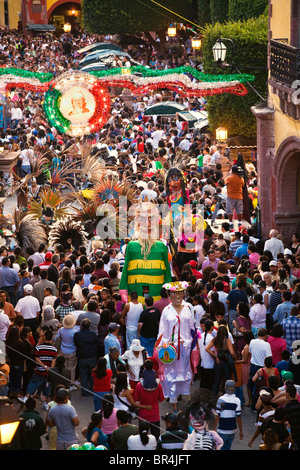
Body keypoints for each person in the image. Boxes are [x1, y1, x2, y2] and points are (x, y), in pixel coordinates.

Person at [155, 281, 195, 410]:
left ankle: (187, 397)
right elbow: (162, 330)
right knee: (171, 375)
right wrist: (164, 344)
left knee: (186, 373)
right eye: (174, 293)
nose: (178, 296)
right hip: (171, 349)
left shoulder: (189, 307)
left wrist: (190, 342)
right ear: (169, 295)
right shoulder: (166, 310)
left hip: (185, 347)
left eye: (180, 293)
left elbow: (193, 328)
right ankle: (174, 403)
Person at [205, 325, 237, 396]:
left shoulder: (215, 339)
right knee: (226, 380)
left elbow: (207, 349)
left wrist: (216, 356)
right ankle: (225, 397)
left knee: (216, 381)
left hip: (218, 362)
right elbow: (232, 352)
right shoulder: (227, 340)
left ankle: (213, 398)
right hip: (226, 362)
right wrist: (235, 358)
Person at [213, 379, 243, 450]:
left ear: (225, 388)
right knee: (228, 447)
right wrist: (241, 431)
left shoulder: (221, 399)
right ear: (234, 389)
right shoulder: (237, 401)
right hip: (232, 430)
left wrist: (213, 429)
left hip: (222, 430)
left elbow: (217, 417)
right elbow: (238, 417)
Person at [248, 328, 272, 409]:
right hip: (261, 369)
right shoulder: (266, 345)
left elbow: (250, 351)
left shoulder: (252, 341)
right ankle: (257, 405)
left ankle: (252, 403)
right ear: (265, 335)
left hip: (252, 366)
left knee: (251, 384)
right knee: (259, 388)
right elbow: (269, 357)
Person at [74, 318, 98, 396]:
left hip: (82, 356)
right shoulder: (93, 334)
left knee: (83, 374)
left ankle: (85, 391)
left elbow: (76, 343)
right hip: (92, 356)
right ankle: (92, 389)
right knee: (92, 374)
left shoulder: (77, 335)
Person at [54, 314, 78, 389]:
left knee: (63, 367)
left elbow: (55, 339)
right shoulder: (75, 331)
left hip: (63, 351)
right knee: (72, 368)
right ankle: (71, 384)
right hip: (72, 351)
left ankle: (63, 382)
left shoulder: (61, 330)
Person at [198, 319, 215, 390]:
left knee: (203, 384)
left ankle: (202, 399)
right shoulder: (212, 339)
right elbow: (212, 352)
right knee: (209, 385)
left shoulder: (200, 337)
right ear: (211, 327)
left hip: (202, 364)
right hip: (210, 365)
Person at [284, 383, 300, 449]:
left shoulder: (288, 406)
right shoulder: (298, 405)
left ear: (288, 394)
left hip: (294, 433)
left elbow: (286, 421)